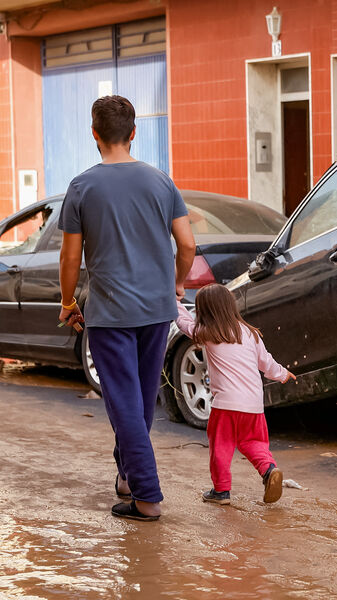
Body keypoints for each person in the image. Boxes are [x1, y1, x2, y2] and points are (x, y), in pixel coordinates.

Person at [58, 95, 196, 522]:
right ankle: (126, 477)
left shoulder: (82, 187)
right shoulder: (161, 181)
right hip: (157, 310)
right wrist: (174, 286)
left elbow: (70, 257)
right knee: (136, 402)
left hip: (110, 313)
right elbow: (188, 245)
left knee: (123, 403)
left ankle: (148, 497)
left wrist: (67, 302)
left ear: (94, 135)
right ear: (134, 133)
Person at [173, 283, 295, 505]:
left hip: (226, 406)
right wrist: (282, 373)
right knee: (254, 442)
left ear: (204, 312)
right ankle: (269, 470)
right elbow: (266, 363)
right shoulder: (250, 333)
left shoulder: (208, 333)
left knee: (221, 447)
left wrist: (174, 302)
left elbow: (183, 323)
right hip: (254, 405)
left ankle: (221, 492)